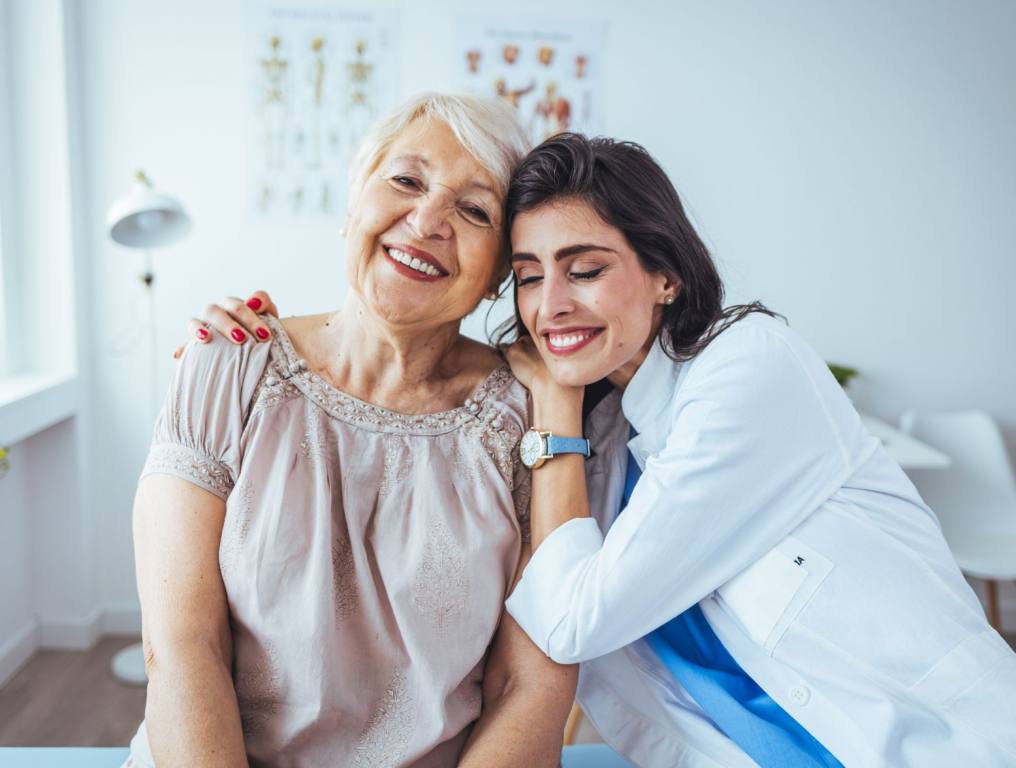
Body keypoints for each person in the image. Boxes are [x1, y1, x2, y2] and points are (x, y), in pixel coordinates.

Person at [210, 133, 1016, 768]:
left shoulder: (747, 367)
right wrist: (256, 336)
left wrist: (554, 405)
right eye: (527, 277)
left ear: (664, 273)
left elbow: (572, 622)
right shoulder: (597, 436)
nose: (551, 306)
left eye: (585, 269)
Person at [124, 93, 576, 768]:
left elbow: (532, 685)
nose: (427, 220)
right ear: (352, 205)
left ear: (496, 278)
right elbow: (183, 643)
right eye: (406, 180)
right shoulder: (228, 361)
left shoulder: (530, 420)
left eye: (474, 209)